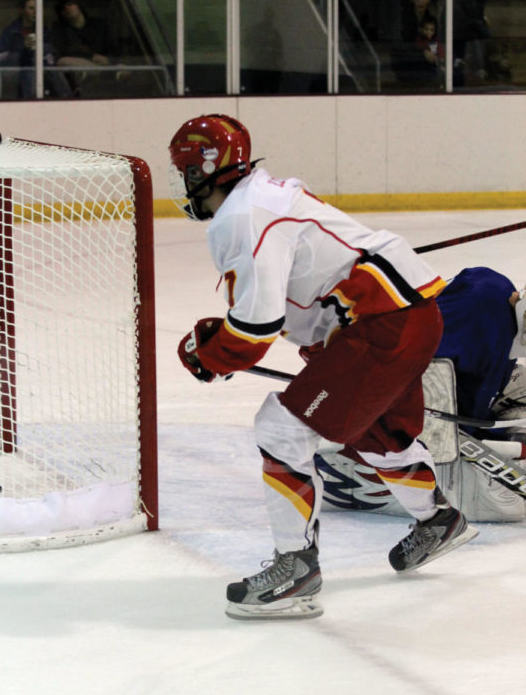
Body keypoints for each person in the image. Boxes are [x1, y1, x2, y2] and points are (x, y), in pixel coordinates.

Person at [169, 113, 478, 621]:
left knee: (281, 429)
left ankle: (296, 569)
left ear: (202, 169)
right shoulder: (262, 197)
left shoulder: (244, 217)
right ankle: (437, 520)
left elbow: (257, 324)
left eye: (185, 171)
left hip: (382, 326)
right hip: (404, 318)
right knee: (379, 434)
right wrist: (221, 346)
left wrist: (211, 354)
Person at [317, 267, 526, 522]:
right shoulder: (481, 313)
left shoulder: (494, 289)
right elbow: (398, 365)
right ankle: (358, 475)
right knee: (507, 502)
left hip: (405, 386)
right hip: (376, 408)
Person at [0, 0, 72, 99]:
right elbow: (0, 59)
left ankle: (68, 101)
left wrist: (41, 52)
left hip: (42, 69)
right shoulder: (10, 31)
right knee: (29, 71)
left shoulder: (45, 31)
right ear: (21, 10)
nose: (35, 12)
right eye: (31, 8)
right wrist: (24, 51)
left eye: (37, 8)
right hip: (17, 70)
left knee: (54, 72)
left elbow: (52, 57)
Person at [51, 0, 120, 95]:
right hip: (80, 62)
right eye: (62, 8)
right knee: (64, 61)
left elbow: (113, 47)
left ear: (78, 6)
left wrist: (107, 59)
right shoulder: (60, 28)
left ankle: (108, 70)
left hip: (102, 62)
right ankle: (110, 72)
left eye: (70, 4)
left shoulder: (99, 25)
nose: (67, 9)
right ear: (61, 14)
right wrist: (92, 56)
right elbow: (65, 50)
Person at [391, 0, 442, 87]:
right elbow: (398, 46)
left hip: (426, 67)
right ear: (412, 0)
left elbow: (434, 41)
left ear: (428, 0)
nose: (420, 1)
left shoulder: (431, 20)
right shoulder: (402, 19)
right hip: (405, 65)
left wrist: (435, 54)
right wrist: (422, 53)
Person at [452, 0, 490, 85]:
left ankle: (479, 69)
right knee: (477, 27)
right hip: (459, 31)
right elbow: (462, 17)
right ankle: (478, 68)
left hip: (473, 32)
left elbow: (477, 14)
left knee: (477, 28)